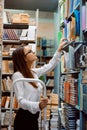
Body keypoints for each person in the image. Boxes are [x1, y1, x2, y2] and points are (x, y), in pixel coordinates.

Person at [12, 38, 67, 130]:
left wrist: (59, 49)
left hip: (34, 118)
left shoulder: (33, 72)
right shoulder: (18, 76)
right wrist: (37, 105)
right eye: (30, 51)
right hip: (24, 119)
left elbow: (49, 66)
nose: (33, 52)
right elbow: (21, 101)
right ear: (24, 58)